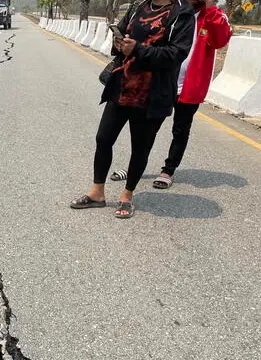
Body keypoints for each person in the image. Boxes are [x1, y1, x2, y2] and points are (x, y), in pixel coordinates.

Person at [70, 0, 195, 219]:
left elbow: (176, 55)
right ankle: (97, 192)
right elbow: (122, 30)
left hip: (152, 95)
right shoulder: (139, 5)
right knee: (103, 139)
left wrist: (137, 49)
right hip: (122, 87)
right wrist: (118, 43)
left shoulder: (182, 13)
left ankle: (127, 195)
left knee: (140, 147)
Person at [109, 0, 232, 189]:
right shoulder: (173, 10)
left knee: (181, 129)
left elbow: (220, 40)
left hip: (189, 86)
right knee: (147, 130)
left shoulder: (211, 15)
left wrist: (210, 8)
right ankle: (133, 169)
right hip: (160, 83)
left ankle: (168, 170)